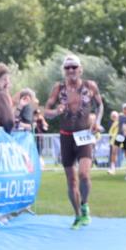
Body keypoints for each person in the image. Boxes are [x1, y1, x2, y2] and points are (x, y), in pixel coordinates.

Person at [43, 54, 104, 229]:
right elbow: (46, 111)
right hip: (66, 136)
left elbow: (100, 105)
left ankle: (84, 205)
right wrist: (56, 112)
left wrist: (97, 122)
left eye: (74, 67)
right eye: (67, 67)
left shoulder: (90, 86)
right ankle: (77, 215)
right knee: (71, 180)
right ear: (64, 70)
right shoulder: (58, 88)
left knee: (84, 174)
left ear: (80, 69)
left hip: (84, 135)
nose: (71, 70)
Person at [110, 103, 126, 174]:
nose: (125, 110)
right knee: (114, 150)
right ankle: (112, 167)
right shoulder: (120, 116)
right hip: (120, 136)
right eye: (124, 108)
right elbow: (114, 119)